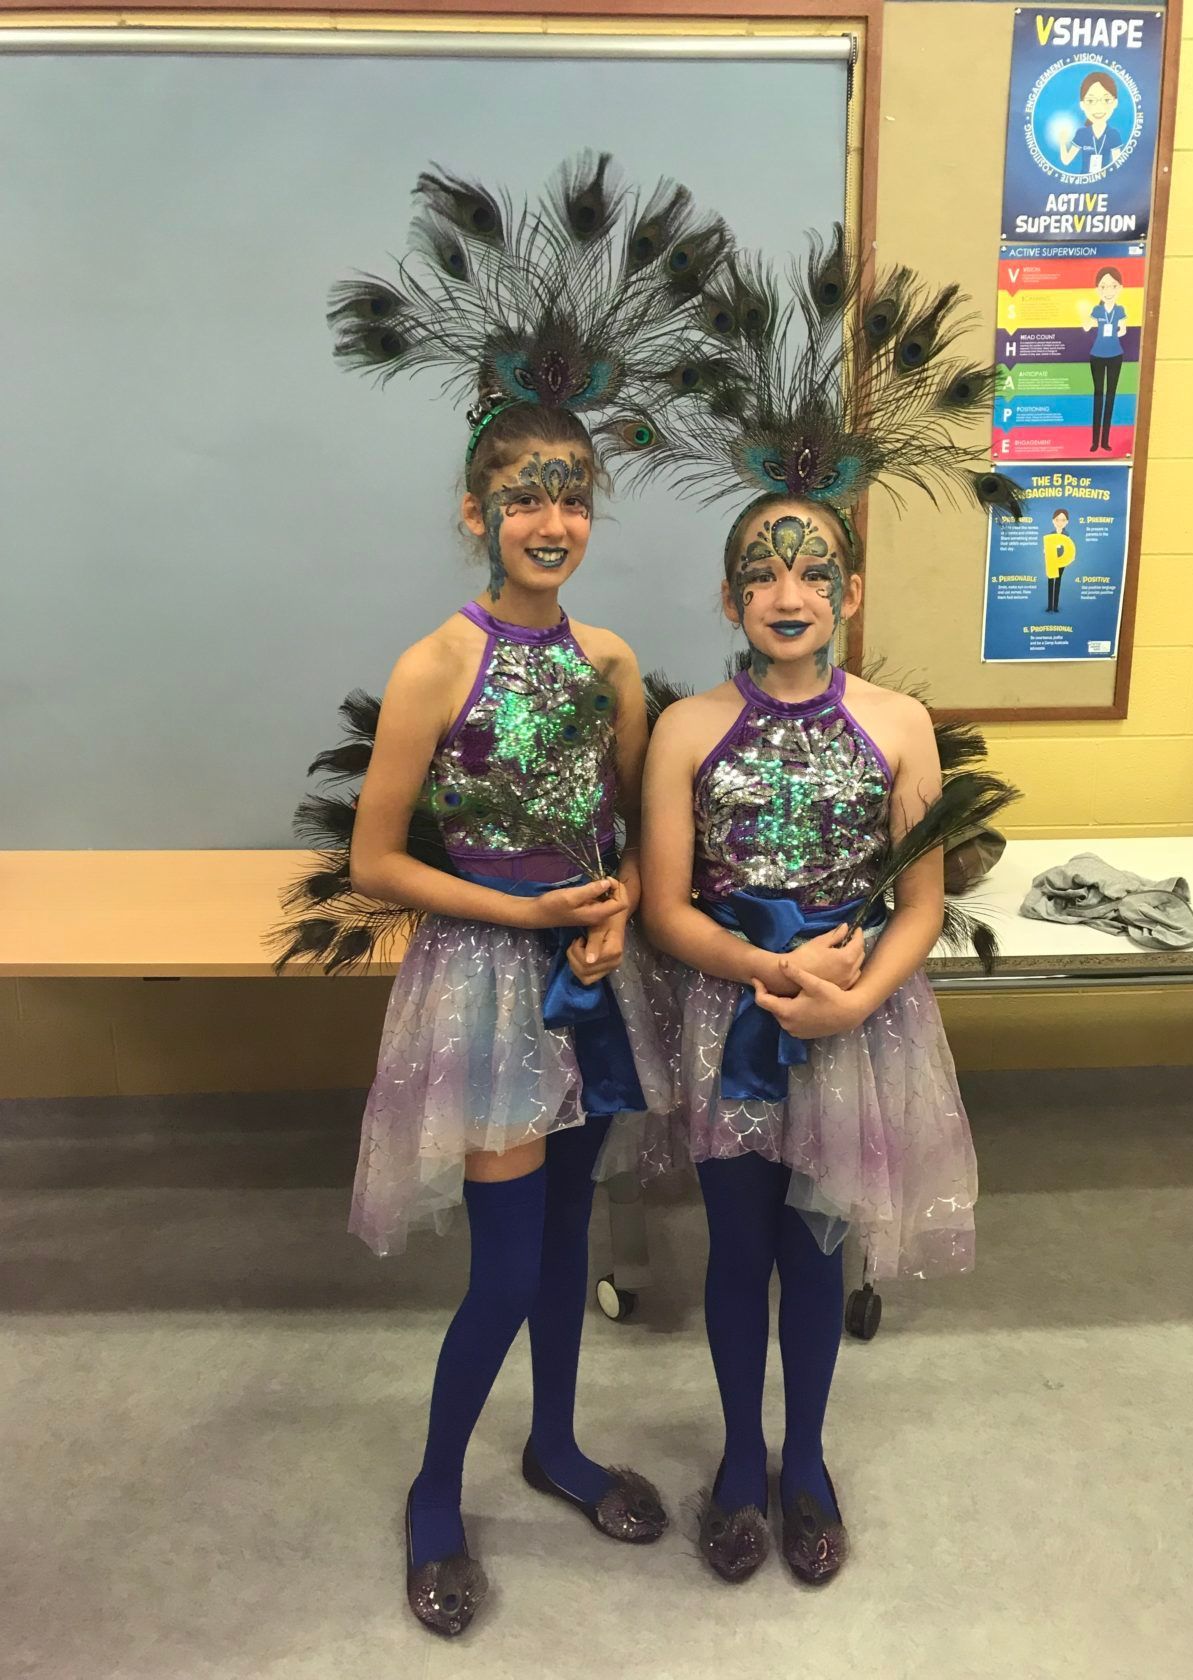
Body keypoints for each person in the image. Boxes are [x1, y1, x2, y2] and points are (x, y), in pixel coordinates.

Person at [322, 155, 729, 1637]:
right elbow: (376, 864)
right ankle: (438, 1490)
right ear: (475, 509)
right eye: (521, 496)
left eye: (573, 496)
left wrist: (612, 906)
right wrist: (527, 919)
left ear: (594, 512)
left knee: (567, 1243)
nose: (550, 520)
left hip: (588, 980)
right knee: (502, 1268)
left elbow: (622, 823)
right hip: (492, 984)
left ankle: (556, 1446)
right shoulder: (443, 662)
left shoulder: (611, 664)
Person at [610, 234, 1017, 1588]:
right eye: (764, 574)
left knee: (816, 1244)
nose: (790, 593)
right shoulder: (685, 730)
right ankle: (739, 1455)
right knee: (736, 1246)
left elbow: (921, 896)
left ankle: (813, 1454)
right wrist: (759, 968)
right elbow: (664, 907)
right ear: (732, 597)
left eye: (814, 572)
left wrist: (858, 989)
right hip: (733, 1016)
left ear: (846, 593)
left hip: (856, 1020)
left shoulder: (899, 725)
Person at [1081, 265, 1128, 452]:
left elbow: (1123, 329)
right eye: (1103, 286)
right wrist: (1085, 317)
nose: (1108, 291)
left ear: (1120, 288)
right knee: (1098, 395)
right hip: (1097, 356)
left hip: (1116, 355)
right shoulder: (1097, 310)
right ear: (1097, 290)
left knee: (1111, 396)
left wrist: (1119, 330)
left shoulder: (1120, 310)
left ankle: (1105, 441)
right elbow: (1087, 327)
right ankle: (1094, 442)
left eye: (1113, 286)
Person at [1059, 70, 1125, 175]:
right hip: (1083, 184)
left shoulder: (1114, 134)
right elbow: (1066, 161)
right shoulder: (1081, 134)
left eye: (1106, 100)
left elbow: (1118, 165)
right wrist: (1062, 142)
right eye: (1090, 101)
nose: (1099, 107)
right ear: (1082, 104)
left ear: (1115, 103)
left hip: (1106, 184)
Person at [1044, 507, 1075, 613]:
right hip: (1051, 560)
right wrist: (1045, 551)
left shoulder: (1067, 535)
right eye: (1057, 520)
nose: (1060, 522)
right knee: (1050, 581)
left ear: (1067, 522)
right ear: (1053, 521)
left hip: (1062, 561)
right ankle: (1049, 606)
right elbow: (1047, 547)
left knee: (1058, 581)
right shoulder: (1051, 534)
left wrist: (1071, 556)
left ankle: (1055, 606)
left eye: (1063, 520)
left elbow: (1069, 547)